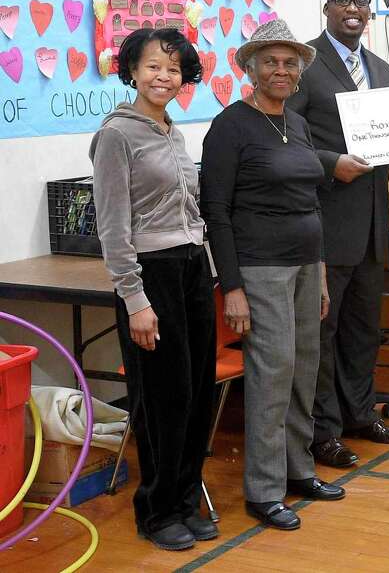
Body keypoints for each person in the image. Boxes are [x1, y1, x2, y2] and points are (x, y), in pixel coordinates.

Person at [201, 20, 343, 532]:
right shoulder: (231, 126)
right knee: (273, 372)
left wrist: (322, 273)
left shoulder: (297, 125)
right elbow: (216, 211)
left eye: (289, 63)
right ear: (252, 69)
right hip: (261, 268)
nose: (281, 71)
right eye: (270, 62)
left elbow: (311, 201)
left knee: (305, 366)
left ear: (299, 72)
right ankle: (263, 490)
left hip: (307, 264)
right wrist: (233, 287)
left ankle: (298, 468)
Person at [287, 0, 389, 469]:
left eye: (362, 2)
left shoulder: (382, 70)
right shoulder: (303, 65)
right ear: (327, 7)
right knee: (323, 336)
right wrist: (329, 163)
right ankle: (323, 432)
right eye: (343, 0)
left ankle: (359, 415)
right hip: (325, 225)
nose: (353, 9)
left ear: (370, 12)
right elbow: (289, 136)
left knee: (365, 330)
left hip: (372, 227)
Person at [90, 28, 214, 551]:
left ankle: (185, 498)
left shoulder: (172, 131)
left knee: (197, 392)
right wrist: (134, 298)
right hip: (151, 273)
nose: (164, 76)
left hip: (191, 269)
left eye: (174, 68)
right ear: (132, 72)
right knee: (164, 398)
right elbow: (112, 228)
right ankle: (156, 510)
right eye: (153, 67)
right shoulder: (117, 134)